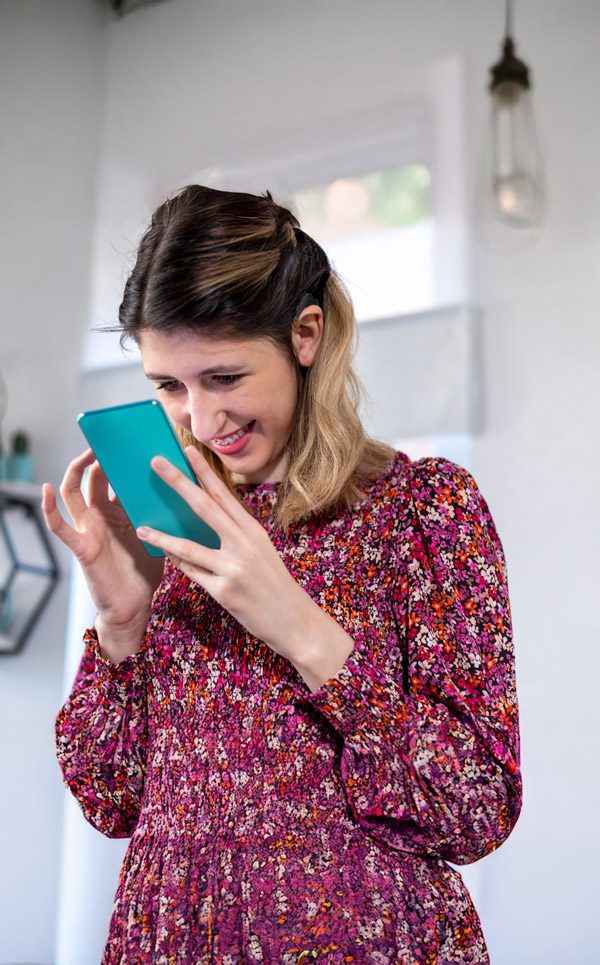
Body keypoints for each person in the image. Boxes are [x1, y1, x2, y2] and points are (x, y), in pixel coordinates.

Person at [42, 184, 523, 964]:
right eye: (169, 384)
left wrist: (300, 626)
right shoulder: (175, 522)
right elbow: (108, 797)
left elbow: (476, 807)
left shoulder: (424, 511)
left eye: (224, 377)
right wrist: (123, 618)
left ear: (305, 335)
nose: (200, 419)